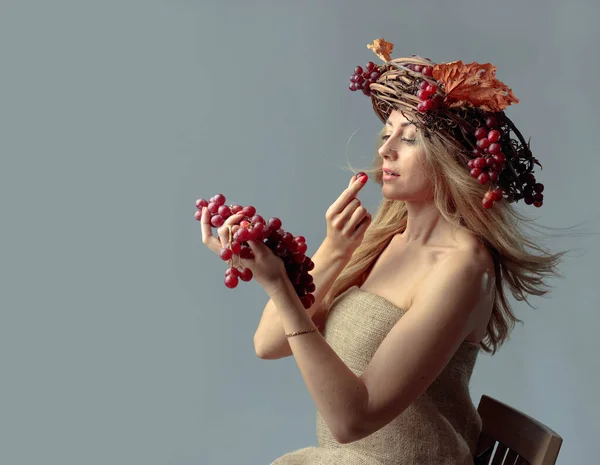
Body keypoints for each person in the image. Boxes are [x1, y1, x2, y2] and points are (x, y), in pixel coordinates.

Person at [200, 38, 563, 464]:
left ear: (453, 157)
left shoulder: (463, 268)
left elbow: (352, 421)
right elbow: (268, 342)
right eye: (387, 133)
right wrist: (333, 250)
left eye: (408, 139)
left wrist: (281, 287)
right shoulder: (384, 238)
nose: (384, 149)